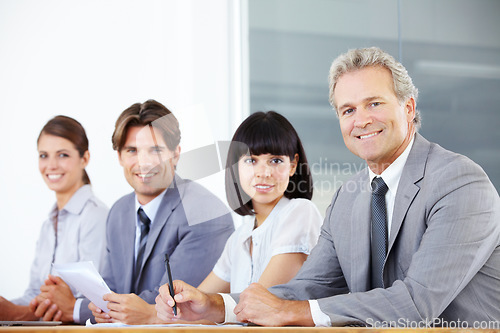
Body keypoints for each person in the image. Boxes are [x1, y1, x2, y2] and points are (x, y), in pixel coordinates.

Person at [155, 47, 500, 327]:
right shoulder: (348, 199)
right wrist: (214, 307)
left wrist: (291, 312)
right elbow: (308, 288)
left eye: (374, 103)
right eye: (348, 109)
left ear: (408, 108)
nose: (361, 120)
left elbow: (418, 303)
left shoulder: (459, 183)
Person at [37, 100, 235, 325]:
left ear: (176, 154)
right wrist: (91, 302)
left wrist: (75, 307)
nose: (144, 162)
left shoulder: (204, 212)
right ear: (120, 157)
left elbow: (166, 302)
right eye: (132, 150)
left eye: (156, 150)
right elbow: (108, 290)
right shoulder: (119, 212)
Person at [195, 111, 322, 296]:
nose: (264, 172)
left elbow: (258, 304)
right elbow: (197, 305)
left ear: (293, 165)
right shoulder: (238, 238)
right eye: (251, 160)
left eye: (276, 160)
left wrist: (203, 307)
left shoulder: (301, 213)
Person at [0, 116, 108, 322]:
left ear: (85, 158)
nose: (51, 165)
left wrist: (18, 313)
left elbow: (94, 299)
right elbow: (34, 293)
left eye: (63, 155)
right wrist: (8, 307)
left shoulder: (95, 216)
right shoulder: (48, 224)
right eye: (44, 155)